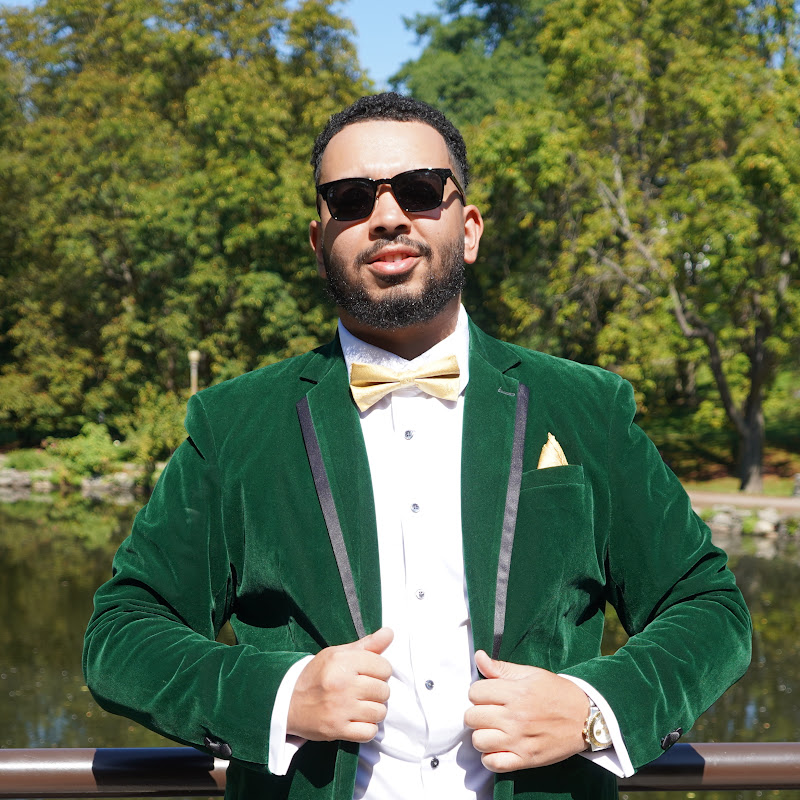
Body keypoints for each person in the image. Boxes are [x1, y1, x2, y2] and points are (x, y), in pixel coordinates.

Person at [83, 92, 752, 800]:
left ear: (469, 228)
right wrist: (281, 695)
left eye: (421, 189)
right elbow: (122, 636)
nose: (388, 216)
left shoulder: (588, 408)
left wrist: (594, 711)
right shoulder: (233, 425)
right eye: (351, 199)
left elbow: (709, 609)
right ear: (318, 242)